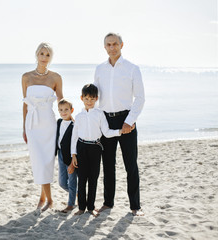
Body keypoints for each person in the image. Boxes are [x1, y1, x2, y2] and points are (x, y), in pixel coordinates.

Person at [93, 32, 145, 216]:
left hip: (126, 120)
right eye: (108, 44)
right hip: (106, 121)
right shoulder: (99, 69)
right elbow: (95, 97)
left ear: (122, 45)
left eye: (115, 43)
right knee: (107, 164)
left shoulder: (132, 68)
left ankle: (135, 206)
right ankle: (108, 203)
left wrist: (129, 121)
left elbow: (140, 98)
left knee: (130, 164)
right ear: (104, 47)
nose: (112, 47)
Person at [22, 42, 63, 211]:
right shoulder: (26, 77)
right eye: (42, 54)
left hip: (48, 123)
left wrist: (71, 117)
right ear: (36, 55)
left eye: (47, 55)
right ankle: (46, 199)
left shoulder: (55, 77)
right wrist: (23, 127)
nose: (44, 57)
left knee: (47, 161)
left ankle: (46, 199)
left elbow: (61, 100)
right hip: (32, 124)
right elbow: (24, 104)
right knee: (38, 161)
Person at [71, 84, 124, 217]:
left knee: (93, 179)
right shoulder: (78, 116)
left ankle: (91, 208)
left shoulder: (100, 114)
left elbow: (106, 132)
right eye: (87, 98)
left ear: (96, 99)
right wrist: (73, 154)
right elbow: (74, 136)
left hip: (95, 148)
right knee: (82, 179)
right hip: (81, 148)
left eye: (92, 99)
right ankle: (81, 207)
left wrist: (120, 131)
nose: (89, 102)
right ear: (81, 98)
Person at [55, 98, 77, 213]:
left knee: (72, 181)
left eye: (66, 110)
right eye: (61, 110)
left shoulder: (74, 125)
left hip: (70, 157)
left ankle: (71, 204)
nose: (63, 112)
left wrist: (73, 160)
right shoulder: (59, 122)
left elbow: (75, 143)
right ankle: (77, 194)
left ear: (71, 110)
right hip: (60, 155)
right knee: (62, 182)